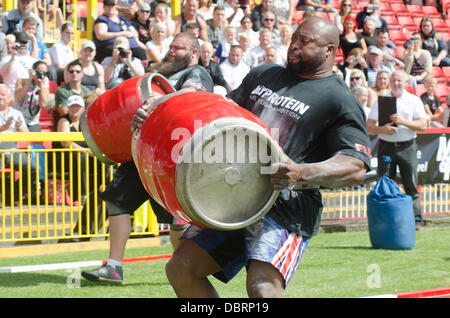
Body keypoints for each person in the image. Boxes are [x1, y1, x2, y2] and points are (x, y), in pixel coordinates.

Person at [164, 16, 371, 298]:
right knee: (181, 268)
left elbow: (355, 165)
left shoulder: (339, 99)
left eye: (305, 42)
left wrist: (301, 172)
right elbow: (218, 116)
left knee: (262, 289)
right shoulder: (264, 74)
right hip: (232, 193)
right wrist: (162, 109)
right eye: (295, 38)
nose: (294, 45)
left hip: (286, 206)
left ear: (330, 51)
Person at [81, 32, 214, 285]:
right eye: (172, 46)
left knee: (177, 219)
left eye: (180, 48)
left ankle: (182, 267)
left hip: (169, 156)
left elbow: (187, 98)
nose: (172, 51)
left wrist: (157, 103)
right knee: (117, 200)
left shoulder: (197, 74)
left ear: (194, 53)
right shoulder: (162, 74)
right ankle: (113, 267)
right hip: (142, 150)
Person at [367, 70, 427, 231]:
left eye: (400, 81)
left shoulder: (414, 100)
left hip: (407, 146)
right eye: (394, 80)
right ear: (389, 82)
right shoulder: (382, 100)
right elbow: (369, 126)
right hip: (386, 147)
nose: (396, 83)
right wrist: (382, 129)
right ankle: (384, 220)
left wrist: (403, 121)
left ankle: (417, 220)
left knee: (411, 186)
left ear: (407, 83)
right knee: (384, 184)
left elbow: (423, 124)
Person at [52, 95, 92, 206]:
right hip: (63, 157)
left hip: (84, 154)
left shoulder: (86, 121)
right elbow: (66, 143)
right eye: (72, 107)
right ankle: (81, 195)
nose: (74, 109)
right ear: (68, 108)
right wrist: (86, 151)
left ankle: (102, 190)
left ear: (83, 108)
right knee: (80, 157)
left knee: (101, 158)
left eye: (77, 107)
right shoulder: (64, 121)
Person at [0, 83, 37, 203]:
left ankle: (14, 195)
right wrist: (3, 128)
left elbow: (27, 135)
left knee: (34, 168)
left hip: (13, 151)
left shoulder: (16, 113)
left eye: (3, 94)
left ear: (9, 96)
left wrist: (20, 128)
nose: (0, 97)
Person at [53, 60, 91, 130]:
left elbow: (90, 113)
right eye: (71, 71)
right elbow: (65, 113)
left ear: (82, 73)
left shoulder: (87, 91)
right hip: (65, 127)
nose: (74, 73)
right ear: (68, 74)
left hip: (83, 127)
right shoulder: (61, 91)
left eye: (77, 71)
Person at [13, 60, 49, 132]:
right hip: (18, 120)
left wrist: (40, 87)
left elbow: (43, 104)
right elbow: (17, 98)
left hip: (32, 122)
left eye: (44, 73)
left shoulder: (44, 83)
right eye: (39, 72)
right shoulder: (22, 80)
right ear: (33, 71)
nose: (42, 75)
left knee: (35, 138)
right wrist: (29, 81)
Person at [0, 31, 37, 95]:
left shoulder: (33, 61)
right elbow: (4, 74)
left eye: (25, 42)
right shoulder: (6, 59)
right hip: (12, 95)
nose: (23, 45)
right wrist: (13, 56)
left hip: (29, 96)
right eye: (20, 42)